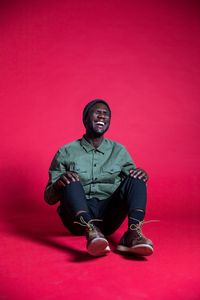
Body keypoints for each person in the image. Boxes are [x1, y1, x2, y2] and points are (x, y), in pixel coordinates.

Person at [44, 99, 154, 257]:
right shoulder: (66, 152)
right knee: (70, 179)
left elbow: (132, 189)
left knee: (137, 177)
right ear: (85, 119)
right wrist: (58, 185)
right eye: (97, 113)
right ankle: (91, 231)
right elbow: (49, 198)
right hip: (77, 220)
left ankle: (133, 233)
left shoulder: (119, 151)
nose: (102, 116)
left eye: (106, 114)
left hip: (108, 218)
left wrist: (142, 175)